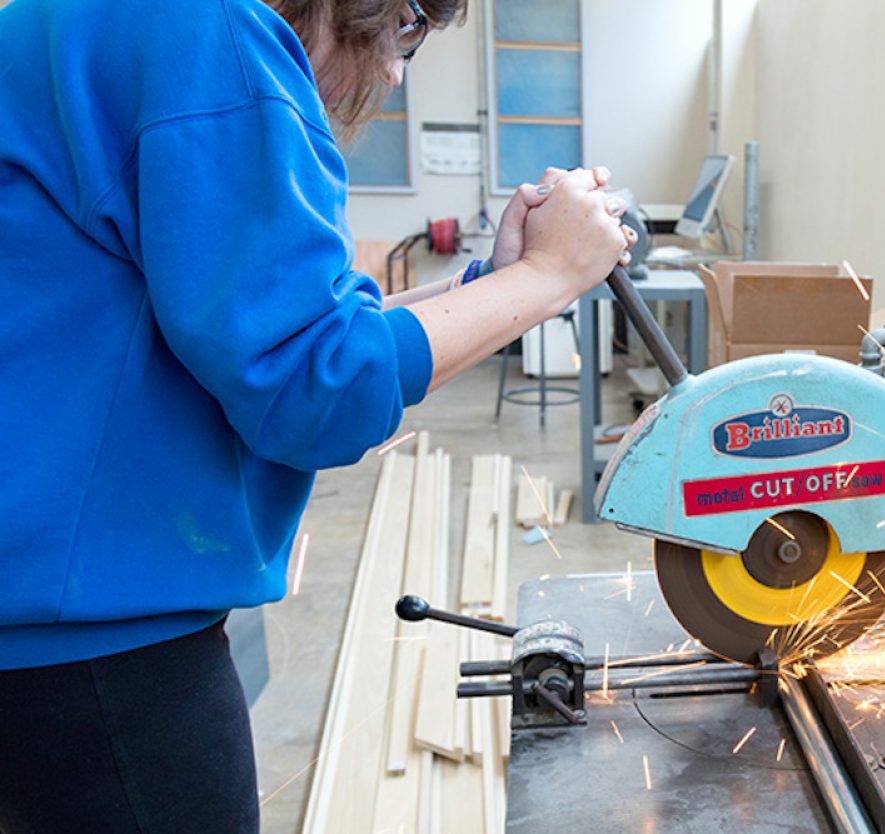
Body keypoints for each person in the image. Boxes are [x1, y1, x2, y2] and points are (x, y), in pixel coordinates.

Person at [0, 0, 632, 829]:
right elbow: (315, 388)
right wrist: (550, 278)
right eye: (409, 24)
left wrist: (494, 284)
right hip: (96, 654)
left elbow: (292, 329)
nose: (399, 70)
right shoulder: (205, 30)